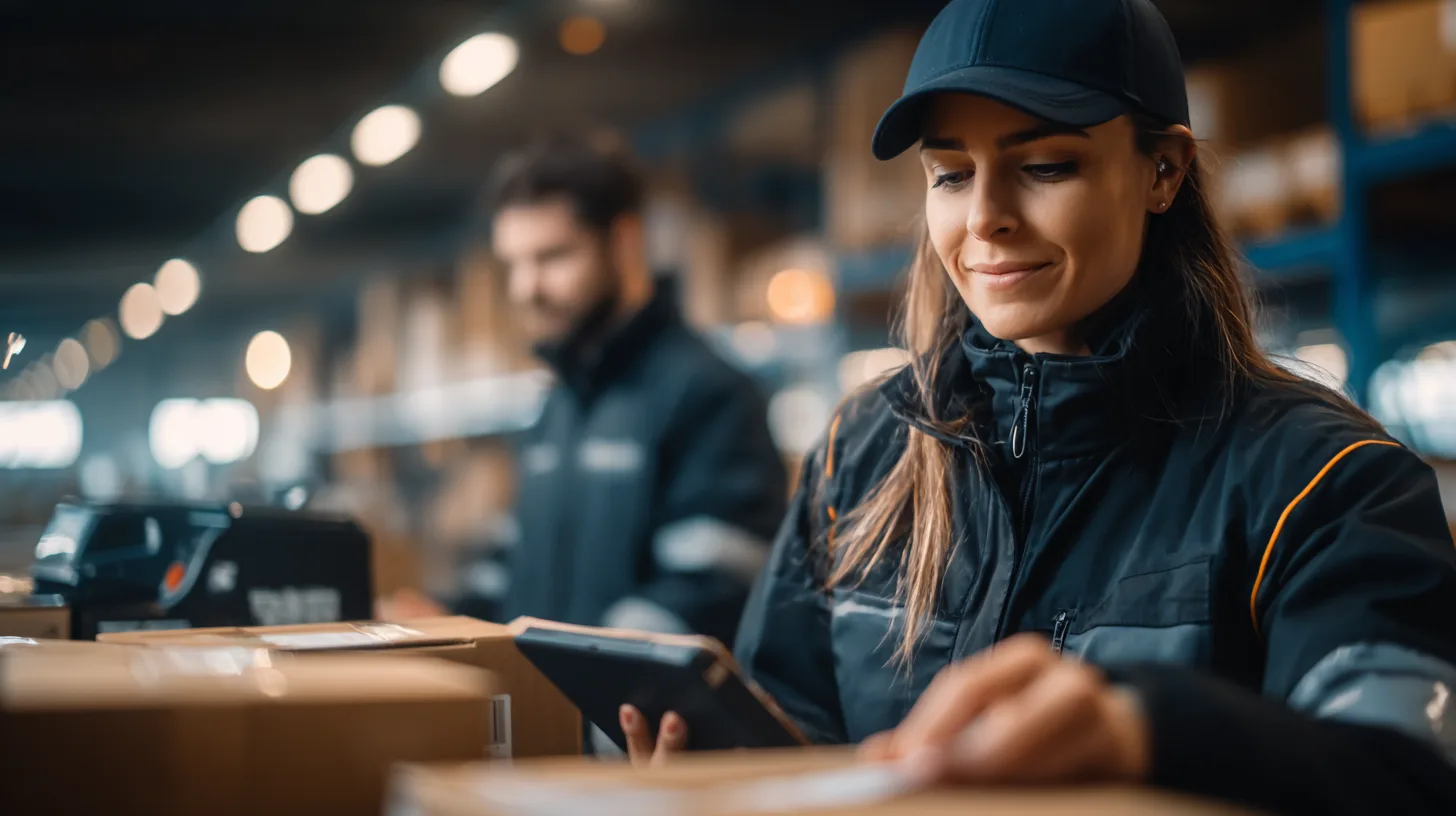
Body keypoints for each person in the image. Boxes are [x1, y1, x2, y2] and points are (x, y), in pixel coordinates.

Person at [620, 0, 1456, 812]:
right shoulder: (863, 452)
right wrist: (725, 777)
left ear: (1163, 169)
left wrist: (1147, 729)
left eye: (1044, 165)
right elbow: (793, 727)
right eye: (950, 174)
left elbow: (1408, 770)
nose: (984, 218)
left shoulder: (1325, 483)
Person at [385, 137, 788, 653]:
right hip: (555, 719)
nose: (526, 288)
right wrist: (450, 616)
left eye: (552, 257)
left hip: (639, 728)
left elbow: (712, 587)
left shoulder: (708, 394)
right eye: (514, 264)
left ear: (623, 242)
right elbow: (515, 566)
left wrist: (575, 684)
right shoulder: (559, 406)